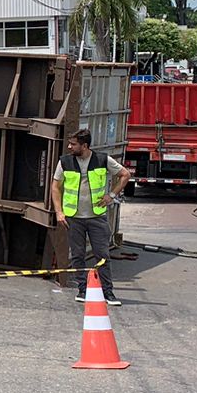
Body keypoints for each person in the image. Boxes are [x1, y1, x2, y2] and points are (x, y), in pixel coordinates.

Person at [54, 128, 129, 306]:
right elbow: (55, 186)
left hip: (97, 217)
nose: (69, 146)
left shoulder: (102, 160)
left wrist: (111, 195)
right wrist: (59, 211)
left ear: (85, 145)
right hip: (74, 218)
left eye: (73, 144)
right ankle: (83, 290)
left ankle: (108, 292)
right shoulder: (65, 162)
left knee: (102, 255)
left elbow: (125, 175)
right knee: (78, 255)